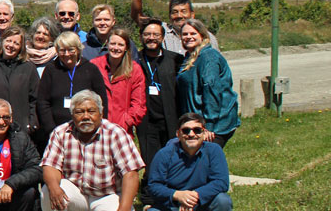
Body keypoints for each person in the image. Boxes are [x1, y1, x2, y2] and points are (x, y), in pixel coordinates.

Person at [40, 90, 145, 211]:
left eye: (91, 111)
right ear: (72, 114)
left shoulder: (115, 133)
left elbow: (131, 175)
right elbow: (50, 166)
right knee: (47, 191)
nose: (86, 116)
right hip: (76, 193)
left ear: (101, 113)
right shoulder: (61, 132)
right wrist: (54, 188)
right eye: (80, 112)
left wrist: (124, 210)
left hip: (107, 195)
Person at [139, 114, 233, 211]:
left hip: (201, 208)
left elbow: (221, 182)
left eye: (197, 130)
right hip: (171, 208)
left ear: (204, 132)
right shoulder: (164, 154)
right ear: (178, 133)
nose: (191, 134)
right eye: (186, 130)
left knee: (223, 201)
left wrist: (195, 196)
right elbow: (153, 186)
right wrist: (177, 195)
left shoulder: (214, 151)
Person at [176, 19, 239, 147]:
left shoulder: (208, 57)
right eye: (185, 34)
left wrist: (208, 126)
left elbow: (211, 90)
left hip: (213, 123)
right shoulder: (191, 56)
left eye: (193, 33)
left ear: (202, 35)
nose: (188, 37)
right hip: (196, 121)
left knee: (205, 161)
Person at [35, 31, 108, 137]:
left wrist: (98, 126)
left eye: (70, 50)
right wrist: (51, 129)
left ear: (78, 50)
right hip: (57, 131)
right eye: (62, 50)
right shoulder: (51, 70)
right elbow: (43, 102)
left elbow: (102, 101)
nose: (66, 54)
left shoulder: (91, 69)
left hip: (87, 130)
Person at [130, 0, 219, 53]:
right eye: (174, 12)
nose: (179, 15)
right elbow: (137, 16)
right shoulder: (161, 31)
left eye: (183, 11)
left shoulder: (207, 37)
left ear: (192, 15)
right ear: (169, 15)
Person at [137, 19, 185, 170]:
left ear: (163, 37)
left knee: (173, 160)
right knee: (150, 162)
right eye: (147, 34)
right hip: (146, 122)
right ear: (141, 37)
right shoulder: (135, 60)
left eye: (155, 34)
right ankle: (151, 189)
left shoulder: (175, 60)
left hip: (170, 120)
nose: (151, 38)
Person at [90, 27, 145, 133]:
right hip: (96, 128)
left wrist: (127, 121)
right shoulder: (94, 65)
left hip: (122, 129)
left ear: (126, 47)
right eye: (113, 43)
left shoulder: (135, 70)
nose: (116, 48)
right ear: (107, 44)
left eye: (120, 45)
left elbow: (139, 103)